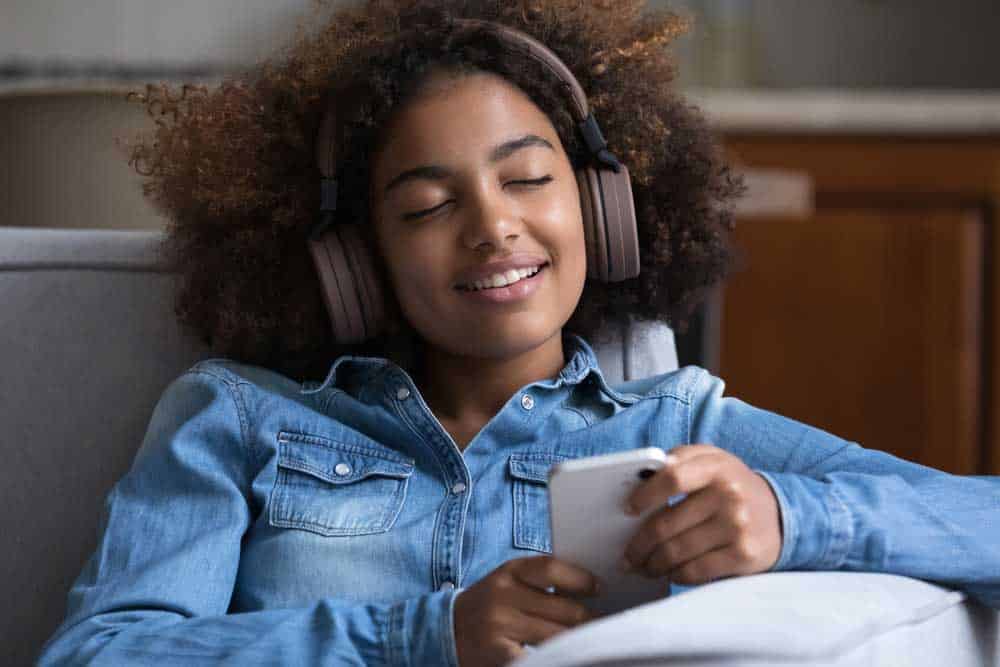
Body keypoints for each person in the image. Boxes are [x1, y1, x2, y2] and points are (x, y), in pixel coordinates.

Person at [38, 1, 999, 665]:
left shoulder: (681, 424)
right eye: (425, 206)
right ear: (355, 256)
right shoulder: (239, 418)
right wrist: (426, 640)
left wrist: (795, 519)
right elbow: (100, 651)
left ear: (601, 209)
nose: (493, 225)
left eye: (528, 178)